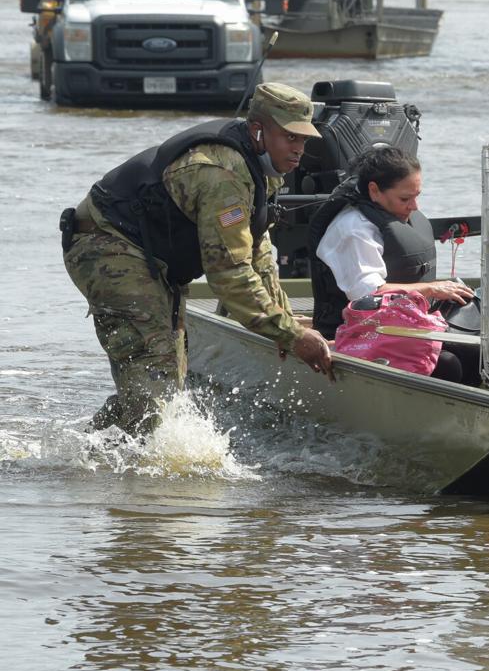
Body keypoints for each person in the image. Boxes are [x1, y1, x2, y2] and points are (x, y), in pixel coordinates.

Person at [62, 83, 335, 436]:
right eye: (290, 137)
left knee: (168, 378)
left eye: (304, 140)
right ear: (258, 130)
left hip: (151, 258)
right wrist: (291, 336)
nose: (299, 149)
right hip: (109, 246)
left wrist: (283, 321)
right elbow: (229, 274)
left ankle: (95, 449)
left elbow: (257, 252)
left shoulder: (261, 169)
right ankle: (128, 460)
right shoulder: (223, 176)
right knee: (155, 374)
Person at [310, 146, 480, 385]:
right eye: (405, 199)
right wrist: (432, 288)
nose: (414, 206)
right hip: (357, 334)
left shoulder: (392, 214)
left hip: (402, 326)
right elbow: (367, 293)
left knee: (475, 351)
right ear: (374, 190)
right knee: (448, 364)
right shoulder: (353, 229)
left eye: (417, 196)